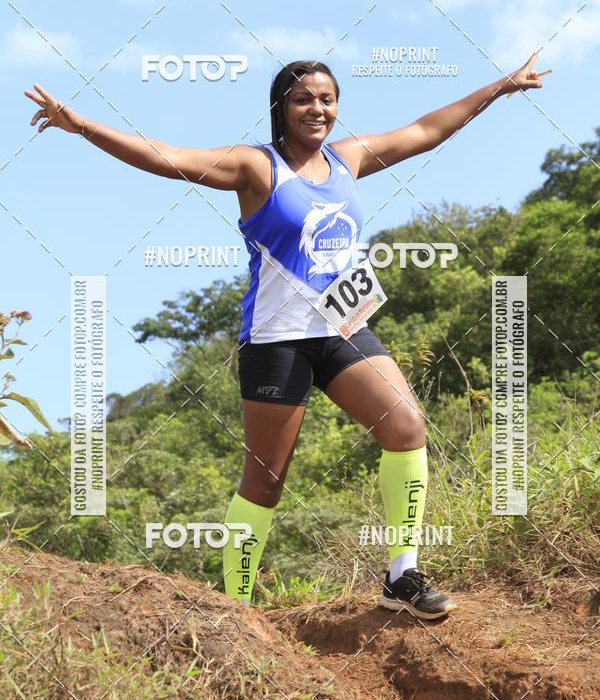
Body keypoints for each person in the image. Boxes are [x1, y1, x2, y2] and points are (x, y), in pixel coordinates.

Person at [25, 51, 547, 619]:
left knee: (406, 426)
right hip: (277, 343)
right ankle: (236, 610)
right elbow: (167, 157)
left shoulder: (348, 160)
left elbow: (424, 132)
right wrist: (82, 127)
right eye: (304, 99)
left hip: (343, 329)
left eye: (326, 99)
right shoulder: (257, 167)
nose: (316, 108)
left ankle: (401, 576)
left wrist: (499, 86)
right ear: (282, 108)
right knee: (266, 480)